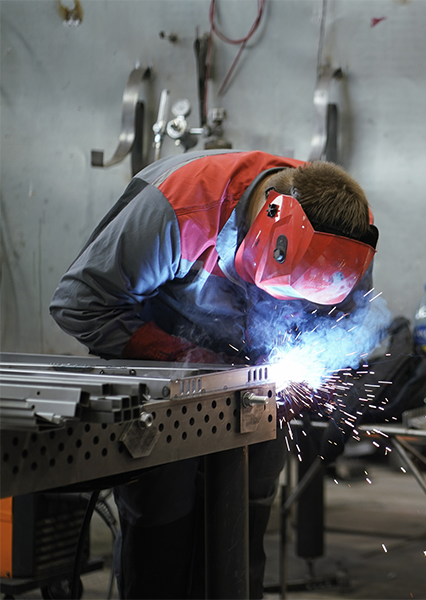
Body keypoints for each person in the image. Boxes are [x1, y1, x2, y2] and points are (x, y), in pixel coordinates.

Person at [49, 151, 379, 599]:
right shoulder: (183, 209)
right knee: (164, 525)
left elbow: (345, 320)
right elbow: (80, 302)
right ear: (269, 218)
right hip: (164, 379)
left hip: (257, 385)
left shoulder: (348, 231)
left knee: (241, 529)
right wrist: (185, 357)